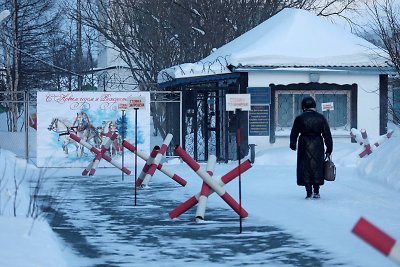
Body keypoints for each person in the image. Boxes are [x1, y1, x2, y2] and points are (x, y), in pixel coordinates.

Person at [289, 96, 333, 199]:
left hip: (304, 144)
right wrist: (329, 148)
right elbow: (327, 134)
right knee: (317, 167)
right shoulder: (321, 118)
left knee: (305, 168)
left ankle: (308, 192)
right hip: (318, 144)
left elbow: (294, 132)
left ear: (303, 106)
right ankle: (316, 191)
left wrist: (293, 144)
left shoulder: (299, 118)